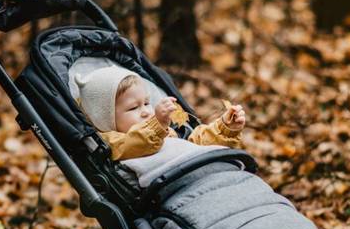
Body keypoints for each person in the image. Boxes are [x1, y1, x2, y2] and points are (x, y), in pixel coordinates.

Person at [75, 64, 246, 162]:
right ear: (105, 119)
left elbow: (193, 145)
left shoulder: (161, 132)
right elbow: (136, 143)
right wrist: (156, 125)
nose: (145, 112)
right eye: (134, 108)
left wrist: (224, 128)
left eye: (147, 103)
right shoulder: (111, 142)